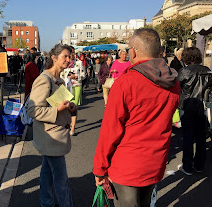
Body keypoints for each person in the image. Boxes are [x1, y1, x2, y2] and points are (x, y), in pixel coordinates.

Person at [93, 29, 180, 206]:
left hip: (127, 166)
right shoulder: (173, 81)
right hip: (156, 161)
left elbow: (110, 130)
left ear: (133, 51)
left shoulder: (127, 82)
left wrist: (100, 168)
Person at [27, 44, 76, 207]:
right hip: (51, 137)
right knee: (61, 180)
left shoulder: (59, 80)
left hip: (55, 134)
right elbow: (33, 110)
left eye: (70, 56)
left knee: (47, 173)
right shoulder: (44, 80)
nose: (69, 60)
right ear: (54, 58)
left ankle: (46, 202)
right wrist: (57, 110)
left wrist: (70, 108)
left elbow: (58, 106)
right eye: (65, 56)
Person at [177, 47, 211, 175]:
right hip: (202, 107)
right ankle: (199, 165)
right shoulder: (207, 71)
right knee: (201, 137)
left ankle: (187, 166)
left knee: (188, 137)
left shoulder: (184, 71)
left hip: (187, 106)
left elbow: (176, 87)